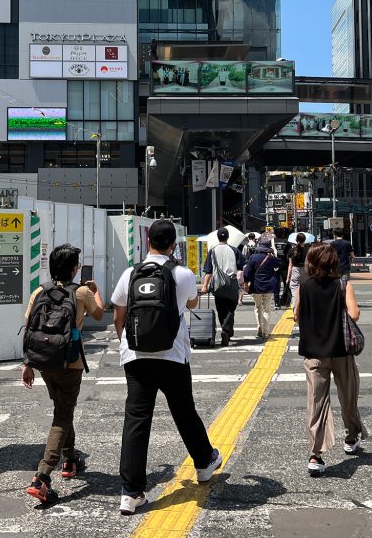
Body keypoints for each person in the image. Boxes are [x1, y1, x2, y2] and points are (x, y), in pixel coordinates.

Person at [111, 220, 223, 515]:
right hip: (172, 354)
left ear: (148, 241)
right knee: (184, 411)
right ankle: (204, 463)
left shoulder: (129, 274)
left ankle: (131, 493)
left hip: (136, 356)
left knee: (137, 419)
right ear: (173, 245)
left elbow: (118, 316)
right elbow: (193, 305)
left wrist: (127, 344)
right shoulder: (181, 273)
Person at [23, 244, 105, 504]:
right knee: (62, 415)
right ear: (73, 269)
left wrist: (27, 364)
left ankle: (70, 459)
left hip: (44, 362)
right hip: (70, 363)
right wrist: (96, 291)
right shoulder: (81, 292)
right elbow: (100, 314)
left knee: (62, 407)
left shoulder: (39, 291)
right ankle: (42, 476)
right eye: (77, 265)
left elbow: (28, 325)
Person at [295, 245, 368, 477]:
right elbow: (354, 314)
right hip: (341, 350)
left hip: (314, 353)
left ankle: (315, 455)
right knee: (348, 396)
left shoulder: (304, 285)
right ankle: (351, 437)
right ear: (333, 261)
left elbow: (296, 315)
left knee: (316, 403)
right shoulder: (343, 284)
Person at [201, 227, 244, 346]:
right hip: (232, 284)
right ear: (228, 237)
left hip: (218, 284)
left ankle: (226, 330)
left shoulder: (212, 251)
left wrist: (205, 286)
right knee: (230, 308)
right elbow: (240, 267)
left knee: (220, 309)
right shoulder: (234, 250)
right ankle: (226, 330)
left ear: (218, 237)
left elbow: (208, 271)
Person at [243, 238, 282, 339]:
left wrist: (246, 283)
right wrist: (274, 253)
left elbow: (247, 272)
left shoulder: (253, 257)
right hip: (268, 286)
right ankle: (265, 332)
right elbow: (280, 263)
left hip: (256, 285)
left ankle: (259, 327)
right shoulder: (271, 258)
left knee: (258, 307)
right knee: (267, 309)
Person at [287, 234, 310, 309]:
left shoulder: (292, 250)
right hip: (306, 271)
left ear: (296, 240)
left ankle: (296, 310)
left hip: (296, 271)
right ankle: (305, 309)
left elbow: (290, 265)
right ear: (305, 240)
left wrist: (288, 278)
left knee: (295, 292)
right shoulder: (309, 250)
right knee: (306, 292)